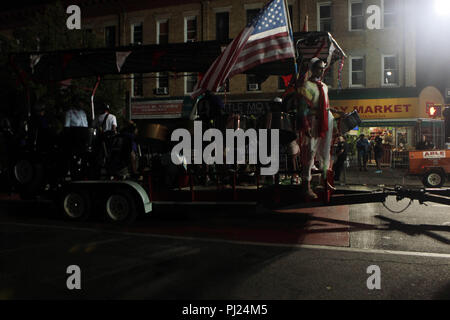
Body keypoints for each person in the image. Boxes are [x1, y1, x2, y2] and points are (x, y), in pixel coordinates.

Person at [296, 58, 337, 199]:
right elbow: (302, 108)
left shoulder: (324, 86)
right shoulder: (306, 86)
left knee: (325, 153)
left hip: (326, 121)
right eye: (319, 67)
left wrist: (334, 119)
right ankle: (305, 186)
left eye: (323, 68)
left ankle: (324, 181)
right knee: (310, 153)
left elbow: (325, 106)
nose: (322, 70)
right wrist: (305, 125)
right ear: (312, 69)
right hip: (313, 121)